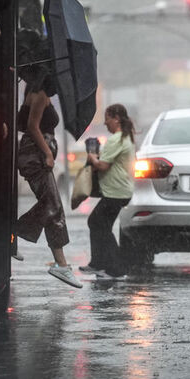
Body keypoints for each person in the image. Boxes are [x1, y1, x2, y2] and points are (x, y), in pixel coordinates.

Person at [16, 79, 82, 288]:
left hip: (33, 156)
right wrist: (47, 154)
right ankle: (60, 264)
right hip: (35, 158)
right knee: (53, 206)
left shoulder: (34, 94)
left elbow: (22, 124)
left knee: (51, 206)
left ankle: (13, 233)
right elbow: (32, 128)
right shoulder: (41, 95)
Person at [80, 104, 135, 280]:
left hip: (116, 192)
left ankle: (116, 269)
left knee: (99, 224)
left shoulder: (117, 139)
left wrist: (92, 157)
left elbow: (103, 165)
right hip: (118, 191)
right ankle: (100, 264)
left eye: (107, 118)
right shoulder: (125, 138)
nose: (105, 123)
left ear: (116, 118)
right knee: (99, 224)